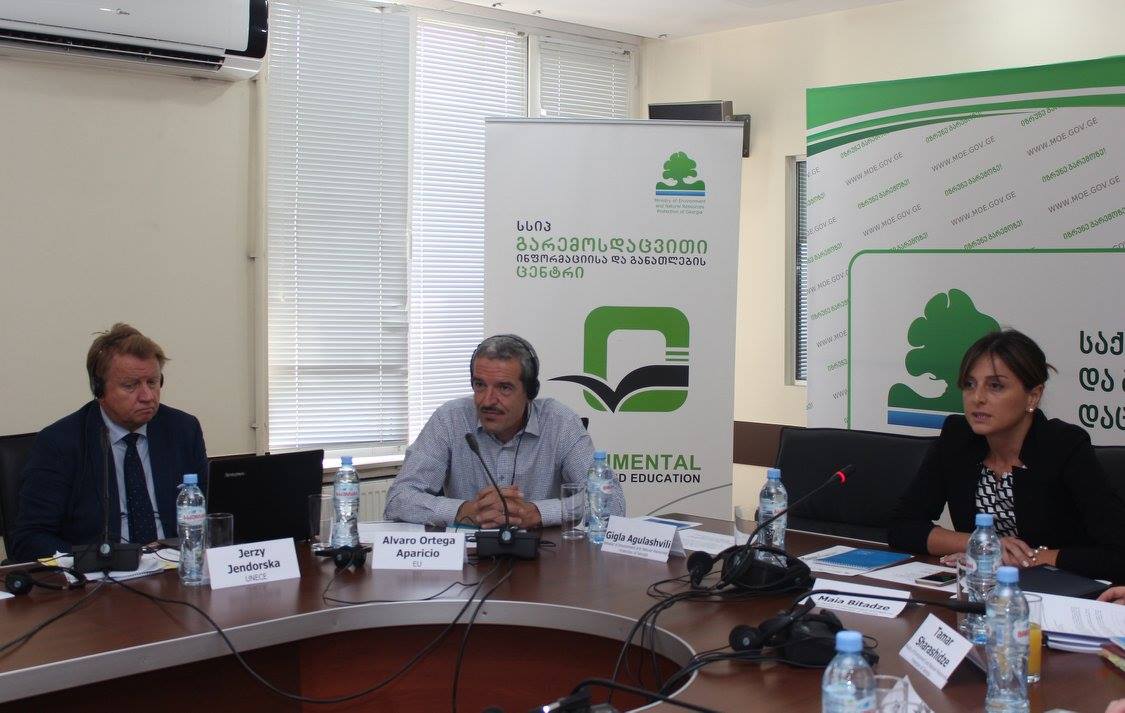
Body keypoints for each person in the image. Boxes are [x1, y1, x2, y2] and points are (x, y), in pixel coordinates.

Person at [888, 329, 1125, 583]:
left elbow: (1118, 553)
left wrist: (1031, 558)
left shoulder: (1064, 446)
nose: (977, 398)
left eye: (995, 386)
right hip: (982, 588)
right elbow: (902, 526)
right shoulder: (957, 438)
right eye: (969, 384)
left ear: (1033, 396)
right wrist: (983, 544)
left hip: (1060, 590)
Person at [11, 324, 207, 562]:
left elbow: (211, 513)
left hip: (174, 569)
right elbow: (29, 538)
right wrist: (99, 560)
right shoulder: (59, 443)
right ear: (99, 389)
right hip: (101, 573)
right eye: (130, 385)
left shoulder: (183, 430)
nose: (147, 396)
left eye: (152, 382)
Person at [384, 334, 625, 528]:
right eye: (480, 385)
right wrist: (464, 511)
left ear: (530, 392)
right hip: (467, 561)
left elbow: (612, 502)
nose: (488, 400)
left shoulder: (560, 423)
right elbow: (398, 499)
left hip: (542, 561)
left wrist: (537, 513)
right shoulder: (450, 419)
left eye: (504, 388)